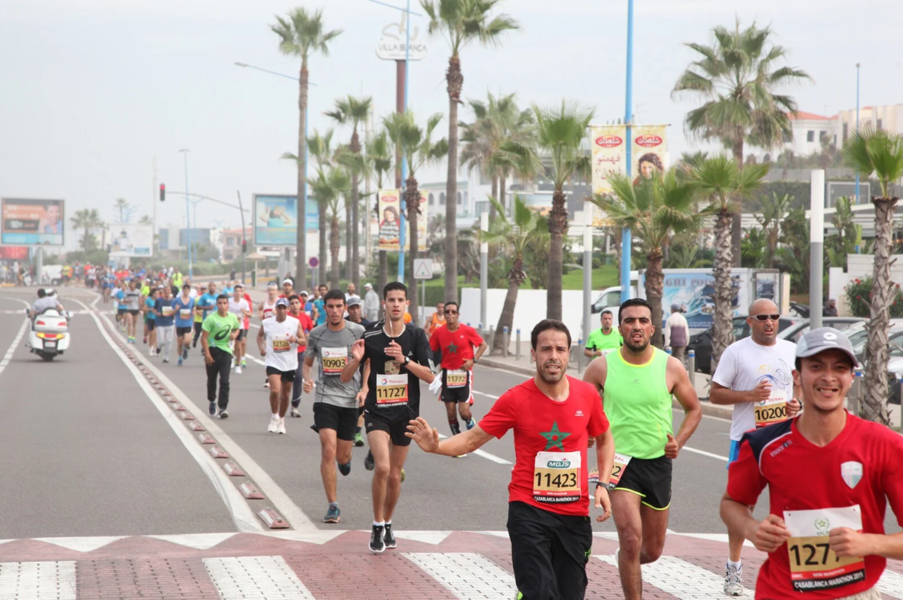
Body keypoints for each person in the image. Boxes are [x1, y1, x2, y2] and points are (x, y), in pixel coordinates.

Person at [408, 319, 615, 600]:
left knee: (570, 594)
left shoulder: (587, 395)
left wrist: (602, 483)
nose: (553, 356)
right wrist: (437, 447)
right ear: (534, 354)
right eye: (545, 349)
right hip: (528, 510)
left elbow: (604, 439)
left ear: (568, 354)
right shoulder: (516, 399)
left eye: (560, 349)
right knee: (541, 592)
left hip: (574, 515)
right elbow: (472, 439)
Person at [721, 328, 903, 600]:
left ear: (851, 378)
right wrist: (753, 529)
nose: (828, 377)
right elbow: (731, 503)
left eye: (839, 368)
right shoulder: (763, 444)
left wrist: (868, 543)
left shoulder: (885, 445)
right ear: (797, 376)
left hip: (856, 593)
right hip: (781, 592)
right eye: (816, 366)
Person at [582, 297, 702, 600]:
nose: (636, 326)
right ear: (619, 327)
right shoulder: (601, 367)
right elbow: (581, 407)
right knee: (631, 539)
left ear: (652, 328)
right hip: (619, 462)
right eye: (630, 321)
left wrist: (679, 442)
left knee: (650, 550)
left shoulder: (671, 366)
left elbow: (694, 409)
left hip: (658, 463)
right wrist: (588, 434)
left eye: (642, 321)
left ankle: (626, 561)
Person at [710, 298, 802, 596]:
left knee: (797, 505)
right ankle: (734, 569)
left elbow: (798, 384)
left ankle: (799, 570)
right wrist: (750, 394)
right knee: (742, 505)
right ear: (750, 321)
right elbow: (715, 394)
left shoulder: (790, 350)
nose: (769, 321)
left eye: (774, 316)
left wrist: (796, 402)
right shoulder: (736, 352)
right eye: (762, 316)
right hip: (747, 441)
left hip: (785, 439)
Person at [344, 282, 435, 553]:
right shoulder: (370, 335)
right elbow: (346, 376)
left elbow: (431, 377)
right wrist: (355, 359)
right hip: (377, 412)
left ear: (406, 304)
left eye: (400, 300)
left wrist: (405, 360)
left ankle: (388, 522)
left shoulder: (417, 336)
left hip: (406, 414)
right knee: (382, 467)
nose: (395, 304)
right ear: (383, 303)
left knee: (395, 476)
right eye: (391, 300)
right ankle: (375, 523)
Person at [302, 290, 365, 523]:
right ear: (325, 308)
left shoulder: (357, 331)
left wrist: (365, 389)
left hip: (349, 401)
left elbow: (367, 365)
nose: (335, 310)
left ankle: (345, 460)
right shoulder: (317, 334)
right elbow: (307, 363)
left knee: (342, 455)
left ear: (345, 308)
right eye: (330, 306)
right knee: (328, 449)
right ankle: (333, 505)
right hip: (325, 398)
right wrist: (307, 379)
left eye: (339, 306)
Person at [429, 301, 486, 436]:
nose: (450, 314)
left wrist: (473, 360)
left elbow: (483, 345)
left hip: (464, 374)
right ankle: (457, 438)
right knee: (450, 411)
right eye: (447, 311)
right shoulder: (438, 333)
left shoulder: (468, 331)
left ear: (458, 314)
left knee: (463, 411)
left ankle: (469, 421)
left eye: (453, 312)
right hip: (447, 374)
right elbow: (430, 352)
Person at [257, 298, 305, 435]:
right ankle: (274, 416)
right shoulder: (267, 323)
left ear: (288, 309)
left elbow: (303, 340)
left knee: (285, 394)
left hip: (289, 363)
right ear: (276, 309)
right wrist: (261, 348)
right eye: (280, 308)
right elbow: (259, 335)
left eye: (285, 308)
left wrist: (295, 339)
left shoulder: (295, 323)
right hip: (273, 361)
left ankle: (281, 420)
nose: (282, 311)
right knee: (275, 391)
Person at [202, 295, 241, 419]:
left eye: (224, 303)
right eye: (220, 303)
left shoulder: (232, 317)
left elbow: (237, 327)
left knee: (224, 380)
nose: (222, 305)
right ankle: (212, 400)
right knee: (212, 381)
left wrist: (234, 335)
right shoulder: (210, 319)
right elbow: (204, 338)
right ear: (216, 304)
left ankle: (223, 407)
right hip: (212, 351)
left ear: (228, 305)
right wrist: (207, 355)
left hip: (226, 351)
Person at [287, 294, 315, 418]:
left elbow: (312, 332)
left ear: (300, 304)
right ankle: (281, 403)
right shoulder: (286, 317)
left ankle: (295, 406)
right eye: (292, 303)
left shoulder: (305, 318)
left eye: (296, 303)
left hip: (300, 351)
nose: (294, 305)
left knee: (298, 377)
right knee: (286, 380)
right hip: (286, 352)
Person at [228, 284, 252, 374]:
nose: (238, 293)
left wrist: (244, 312)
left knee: (238, 346)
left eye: (239, 291)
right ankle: (232, 359)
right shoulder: (229, 301)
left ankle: (238, 365)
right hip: (229, 326)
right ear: (233, 293)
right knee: (230, 345)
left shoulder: (244, 302)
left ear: (242, 293)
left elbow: (250, 314)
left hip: (239, 326)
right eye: (236, 291)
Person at [173, 284, 196, 367]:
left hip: (188, 322)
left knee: (187, 341)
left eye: (187, 289)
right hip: (179, 323)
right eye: (184, 289)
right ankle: (180, 358)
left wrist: (194, 313)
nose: (186, 291)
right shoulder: (177, 300)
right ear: (182, 290)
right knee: (179, 343)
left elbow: (193, 309)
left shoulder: (192, 300)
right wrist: (175, 309)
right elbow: (172, 311)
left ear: (189, 291)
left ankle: (185, 348)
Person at [154, 285, 177, 363]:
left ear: (170, 292)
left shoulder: (173, 301)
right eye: (165, 291)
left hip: (170, 323)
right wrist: (157, 313)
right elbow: (154, 309)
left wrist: (174, 313)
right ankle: (158, 347)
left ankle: (166, 357)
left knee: (169, 341)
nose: (167, 292)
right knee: (161, 341)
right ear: (163, 292)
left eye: (168, 291)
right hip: (160, 323)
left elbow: (175, 311)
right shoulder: (159, 300)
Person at [193, 282, 218, 349]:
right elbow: (198, 307)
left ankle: (210, 347)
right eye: (210, 286)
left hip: (216, 319)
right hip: (206, 319)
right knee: (205, 335)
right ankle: (204, 348)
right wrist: (207, 308)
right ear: (208, 287)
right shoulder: (204, 296)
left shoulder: (218, 297)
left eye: (213, 286)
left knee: (213, 335)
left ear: (215, 287)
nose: (212, 287)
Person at [143, 287, 159, 356]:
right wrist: (150, 309)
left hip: (157, 318)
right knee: (151, 333)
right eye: (156, 293)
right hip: (150, 318)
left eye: (158, 293)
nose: (157, 295)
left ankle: (155, 349)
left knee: (155, 333)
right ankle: (151, 348)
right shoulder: (148, 300)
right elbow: (144, 309)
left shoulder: (159, 300)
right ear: (152, 294)